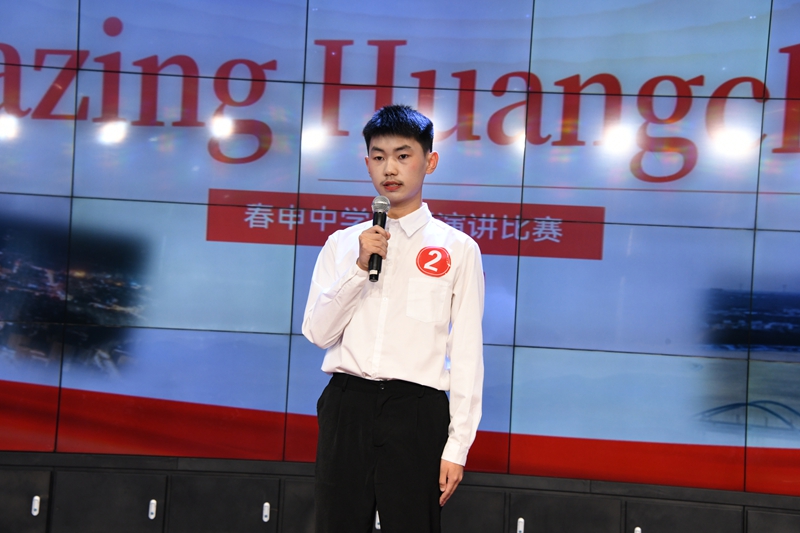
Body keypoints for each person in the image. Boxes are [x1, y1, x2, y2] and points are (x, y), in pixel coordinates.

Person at [302, 104, 484, 533]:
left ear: (429, 162)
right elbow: (317, 333)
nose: (390, 168)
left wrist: (457, 445)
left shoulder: (457, 248)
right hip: (347, 404)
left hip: (416, 411)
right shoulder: (343, 244)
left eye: (403, 156)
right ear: (367, 163)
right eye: (379, 156)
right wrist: (358, 268)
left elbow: (467, 352)